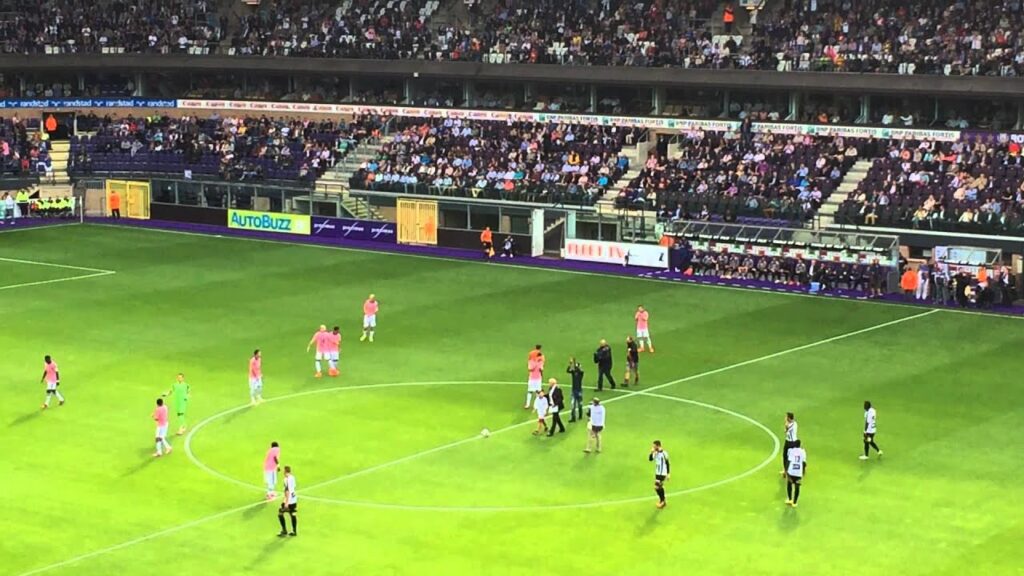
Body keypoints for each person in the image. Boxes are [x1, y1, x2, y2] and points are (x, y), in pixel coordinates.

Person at [277, 466, 298, 537]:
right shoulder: (293, 477)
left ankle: (284, 530)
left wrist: (286, 502)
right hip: (294, 499)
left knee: (280, 513)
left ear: (285, 471)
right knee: (293, 514)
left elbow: (287, 490)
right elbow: (293, 488)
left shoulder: (286, 479)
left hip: (288, 500)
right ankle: (294, 531)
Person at [785, 440, 806, 507]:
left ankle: (790, 499)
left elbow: (788, 461)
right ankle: (795, 502)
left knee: (789, 484)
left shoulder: (791, 451)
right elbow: (804, 463)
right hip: (798, 472)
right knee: (797, 487)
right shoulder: (803, 452)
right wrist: (803, 472)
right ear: (800, 445)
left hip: (791, 471)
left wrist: (786, 470)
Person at [650, 440, 670, 509]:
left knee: (657, 487)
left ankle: (663, 501)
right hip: (657, 473)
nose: (653, 447)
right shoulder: (655, 453)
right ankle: (662, 501)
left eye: (654, 446)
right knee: (659, 487)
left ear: (658, 446)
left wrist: (668, 474)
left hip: (662, 473)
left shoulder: (664, 453)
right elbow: (650, 459)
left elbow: (667, 463)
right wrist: (652, 452)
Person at [566, 357, 585, 422]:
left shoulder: (581, 373)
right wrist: (570, 364)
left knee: (580, 404)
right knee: (573, 405)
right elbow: (568, 370)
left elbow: (580, 370)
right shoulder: (573, 372)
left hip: (579, 391)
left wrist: (576, 366)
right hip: (574, 391)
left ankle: (580, 416)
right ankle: (573, 418)